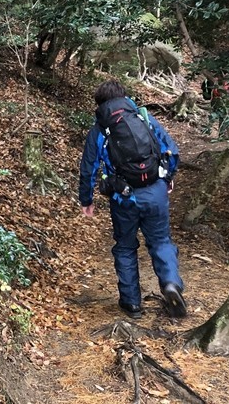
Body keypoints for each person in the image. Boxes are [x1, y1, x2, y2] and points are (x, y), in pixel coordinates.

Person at [78, 79, 186, 319]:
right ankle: (170, 283)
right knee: (161, 241)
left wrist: (86, 200)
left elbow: (88, 167)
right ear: (124, 97)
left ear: (100, 104)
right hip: (155, 191)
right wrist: (167, 177)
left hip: (123, 198)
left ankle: (132, 303)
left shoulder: (100, 129)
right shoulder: (144, 118)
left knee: (126, 247)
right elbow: (172, 150)